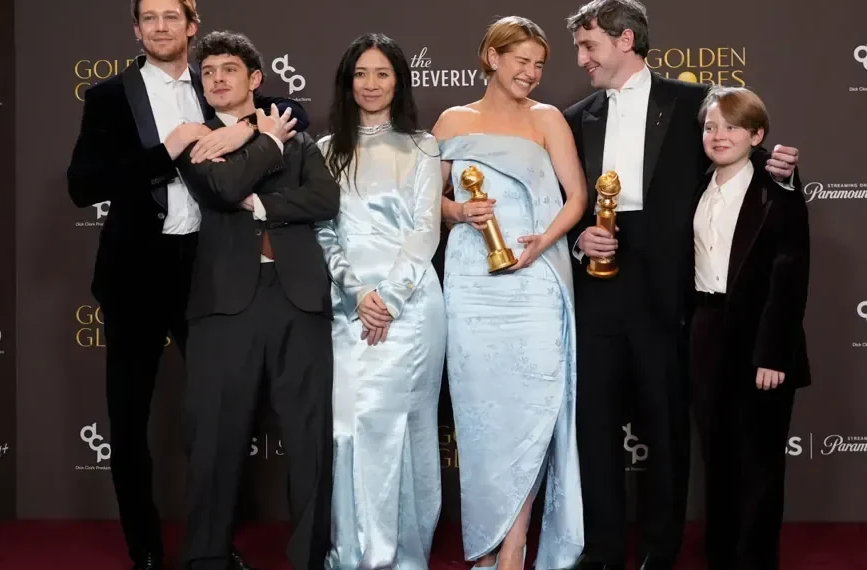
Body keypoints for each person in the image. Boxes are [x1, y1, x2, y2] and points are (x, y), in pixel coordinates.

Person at [65, 1, 307, 568]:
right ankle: (145, 552)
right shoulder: (107, 97)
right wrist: (167, 150)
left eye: (171, 16)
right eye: (149, 18)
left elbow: (292, 111)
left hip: (209, 270)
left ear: (192, 25)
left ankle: (212, 546)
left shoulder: (215, 82)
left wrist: (243, 129)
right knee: (129, 421)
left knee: (220, 417)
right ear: (136, 29)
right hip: (135, 276)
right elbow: (82, 185)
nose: (160, 27)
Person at [561, 2, 801, 569]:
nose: (582, 58)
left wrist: (787, 172)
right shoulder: (574, 118)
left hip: (672, 297)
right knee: (593, 426)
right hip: (597, 293)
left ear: (625, 40)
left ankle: (659, 549)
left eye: (589, 46)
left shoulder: (696, 103)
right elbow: (562, 204)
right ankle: (602, 550)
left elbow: (749, 163)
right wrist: (578, 241)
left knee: (667, 427)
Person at [170, 31, 339, 570]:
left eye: (229, 70)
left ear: (255, 79)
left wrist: (263, 204)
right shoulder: (195, 139)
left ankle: (311, 556)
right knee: (214, 434)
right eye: (209, 72)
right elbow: (221, 190)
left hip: (299, 296)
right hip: (223, 302)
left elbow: (325, 198)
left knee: (310, 436)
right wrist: (263, 141)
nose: (218, 79)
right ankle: (206, 557)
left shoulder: (298, 135)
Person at [432, 16, 587, 570]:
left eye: (539, 64)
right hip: (472, 282)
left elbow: (577, 197)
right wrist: (458, 212)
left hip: (536, 281)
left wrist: (542, 242)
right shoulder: (452, 120)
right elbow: (426, 200)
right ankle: (489, 539)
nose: (531, 73)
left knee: (533, 411)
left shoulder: (548, 119)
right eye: (521, 61)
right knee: (483, 415)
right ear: (492, 57)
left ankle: (515, 544)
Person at [314, 33, 447, 570]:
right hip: (346, 307)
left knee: (398, 425)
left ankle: (399, 555)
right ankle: (352, 552)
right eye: (361, 74)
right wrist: (357, 292)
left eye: (382, 73)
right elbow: (323, 231)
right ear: (348, 82)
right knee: (348, 425)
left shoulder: (423, 147)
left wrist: (388, 299)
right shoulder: (325, 151)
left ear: (399, 82)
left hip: (410, 307)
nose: (371, 84)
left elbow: (425, 230)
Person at [688, 86, 810, 570]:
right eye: (711, 126)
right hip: (706, 332)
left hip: (759, 338)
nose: (719, 136)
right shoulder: (697, 187)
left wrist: (773, 354)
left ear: (757, 135)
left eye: (732, 127)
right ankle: (721, 558)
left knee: (758, 464)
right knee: (716, 459)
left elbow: (790, 274)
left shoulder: (776, 187)